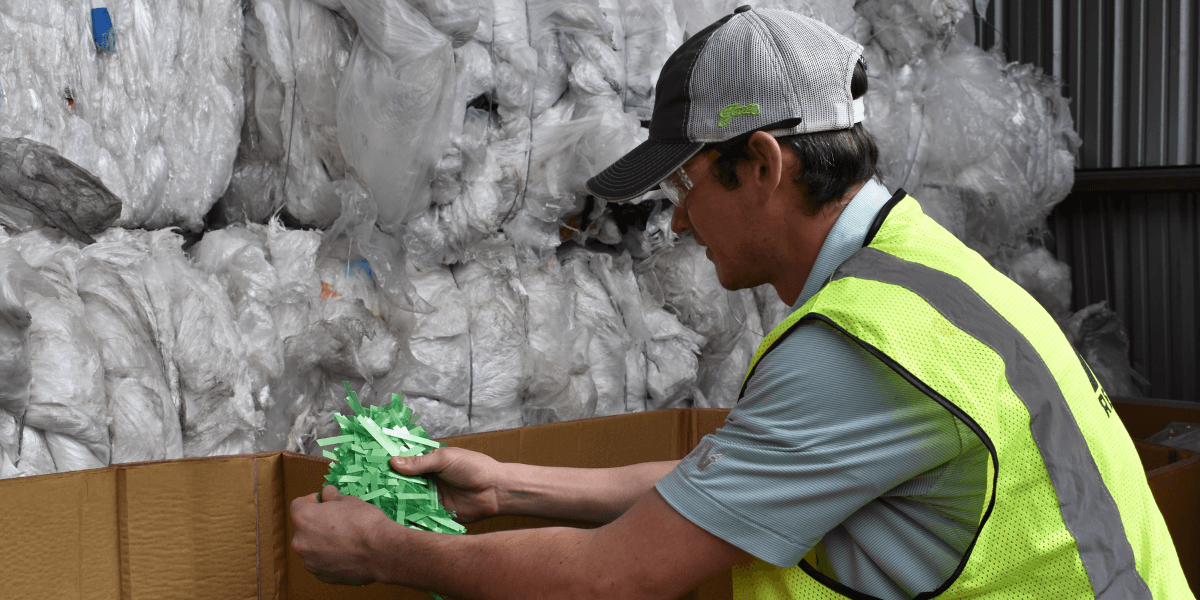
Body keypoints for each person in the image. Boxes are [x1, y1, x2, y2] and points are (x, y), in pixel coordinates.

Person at [290, 7, 1193, 599]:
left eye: (688, 183)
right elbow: (737, 483)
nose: (678, 219)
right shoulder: (925, 277)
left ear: (762, 164)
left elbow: (617, 579)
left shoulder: (858, 351)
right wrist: (508, 487)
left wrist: (384, 553)